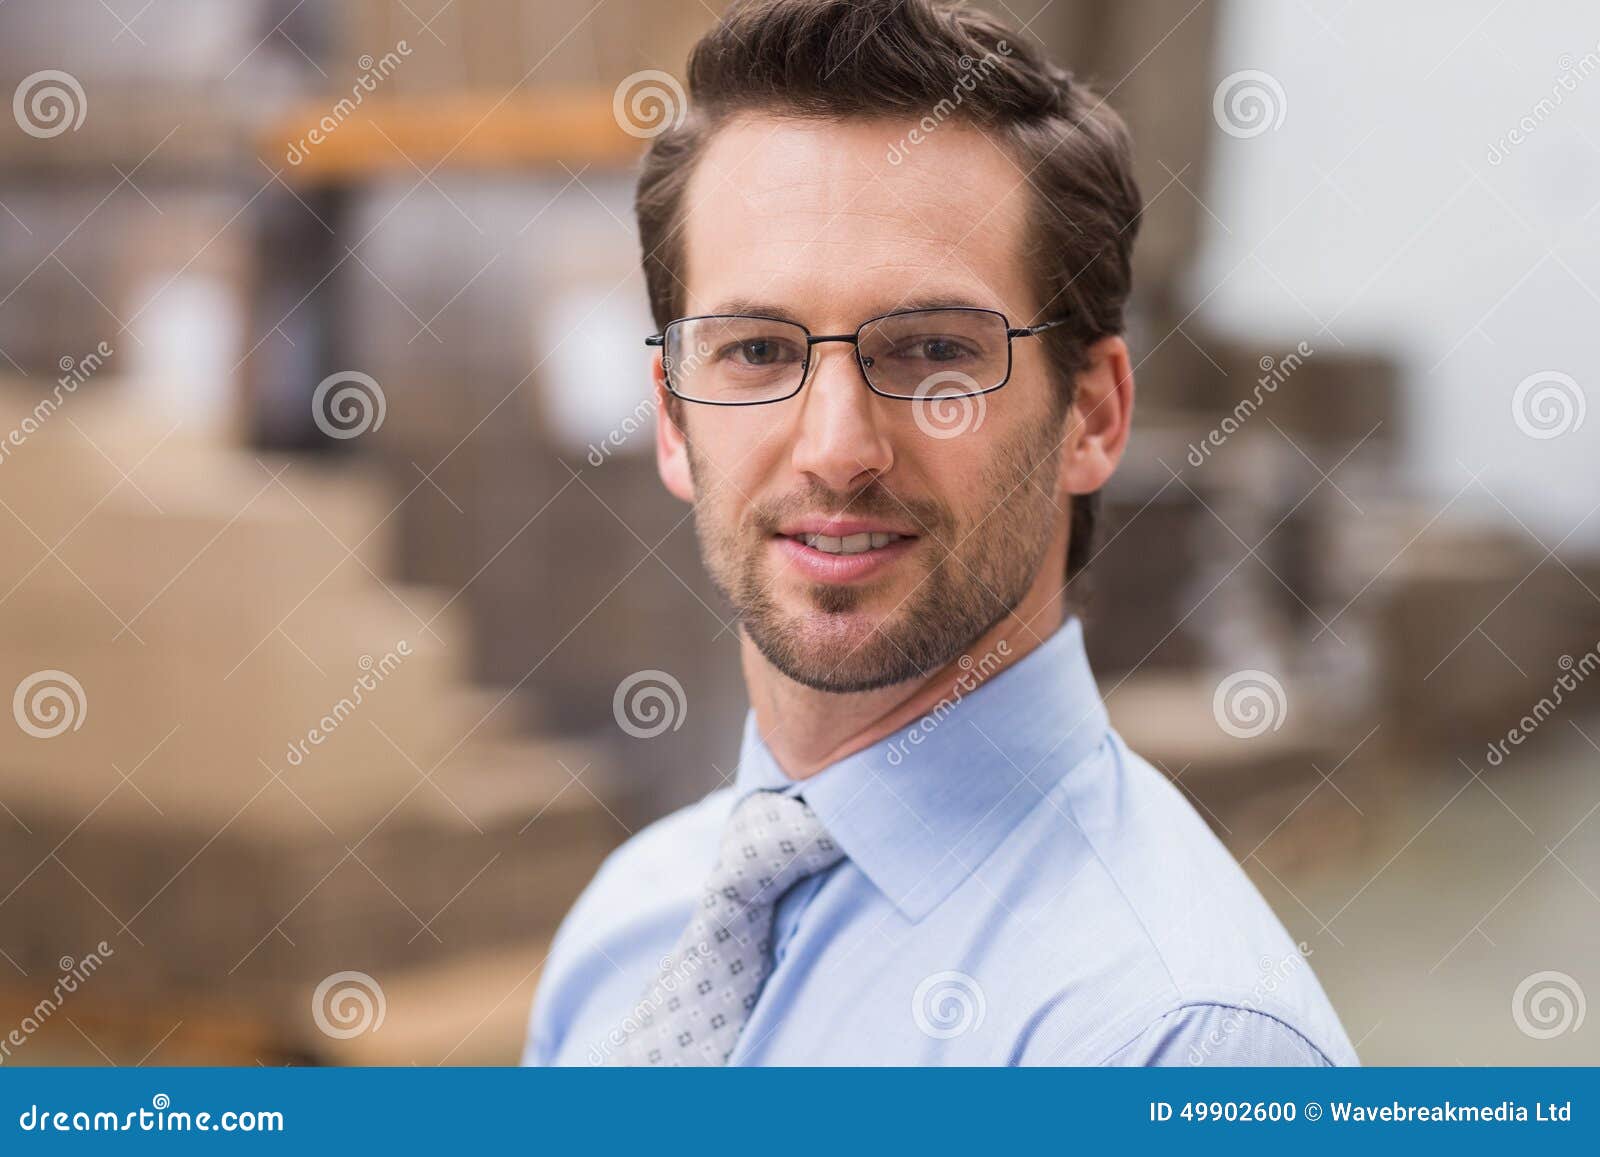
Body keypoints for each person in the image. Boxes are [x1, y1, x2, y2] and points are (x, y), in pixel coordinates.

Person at [524, 0, 1357, 1067]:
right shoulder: (625, 928)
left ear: (1092, 415)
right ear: (674, 417)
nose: (834, 446)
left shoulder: (1175, 1037)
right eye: (756, 351)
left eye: (928, 350)